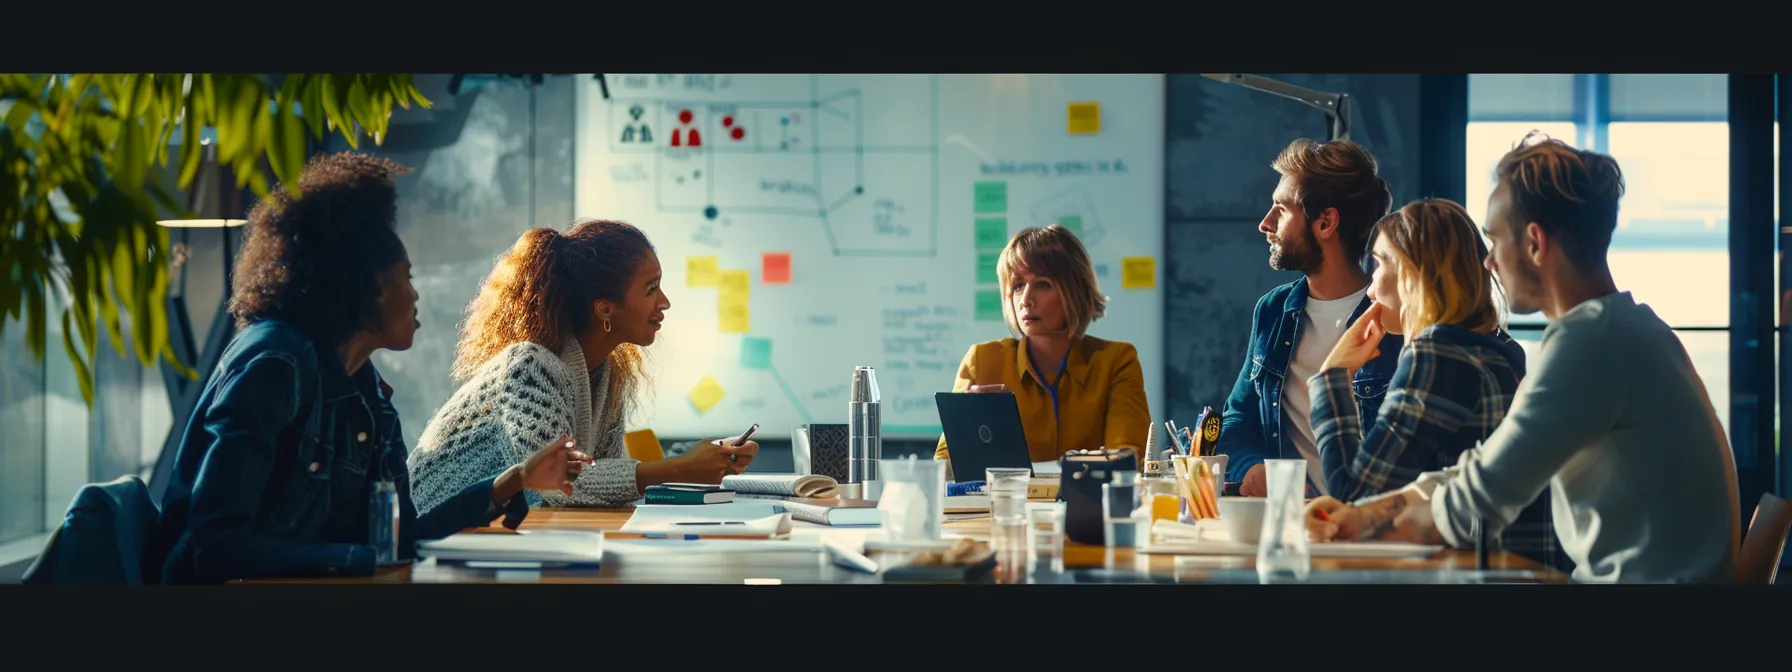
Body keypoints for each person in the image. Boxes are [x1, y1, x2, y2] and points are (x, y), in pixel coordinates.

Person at [1305, 132, 1742, 583]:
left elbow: (1481, 498)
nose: (1489, 263)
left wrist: (1367, 518)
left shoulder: (1590, 343)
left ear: (1534, 243)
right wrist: (1369, 514)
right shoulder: (1627, 328)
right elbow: (1485, 468)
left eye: (1494, 241)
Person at [152, 153, 590, 584]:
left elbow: (398, 542)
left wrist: (514, 480)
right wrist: (361, 560)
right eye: (408, 278)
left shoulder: (367, 392)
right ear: (368, 289)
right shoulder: (274, 364)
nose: (416, 296)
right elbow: (217, 546)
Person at [407, 219, 759, 511]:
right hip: (426, 536)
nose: (665, 302)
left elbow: (605, 484)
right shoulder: (529, 366)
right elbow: (558, 485)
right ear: (604, 308)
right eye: (651, 289)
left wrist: (695, 467)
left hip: (491, 533)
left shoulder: (605, 373)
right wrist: (682, 467)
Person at [1307, 198, 1563, 570]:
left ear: (1412, 272)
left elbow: (1356, 497)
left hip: (1481, 576)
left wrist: (1332, 377)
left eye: (1379, 263)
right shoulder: (1498, 349)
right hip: (1518, 569)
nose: (1370, 289)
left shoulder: (1438, 353)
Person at [1214, 138, 1402, 498]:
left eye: (1280, 210)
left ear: (1326, 222)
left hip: (1369, 529)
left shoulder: (1395, 323)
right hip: (1292, 523)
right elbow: (1237, 419)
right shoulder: (1273, 311)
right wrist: (1253, 468)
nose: (1265, 224)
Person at [933, 224, 1149, 471]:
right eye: (1017, 286)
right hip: (1005, 507)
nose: (1025, 300)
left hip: (1086, 508)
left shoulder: (1116, 361)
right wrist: (967, 431)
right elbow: (943, 468)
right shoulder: (982, 361)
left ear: (1074, 290)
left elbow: (1127, 461)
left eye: (1042, 284)